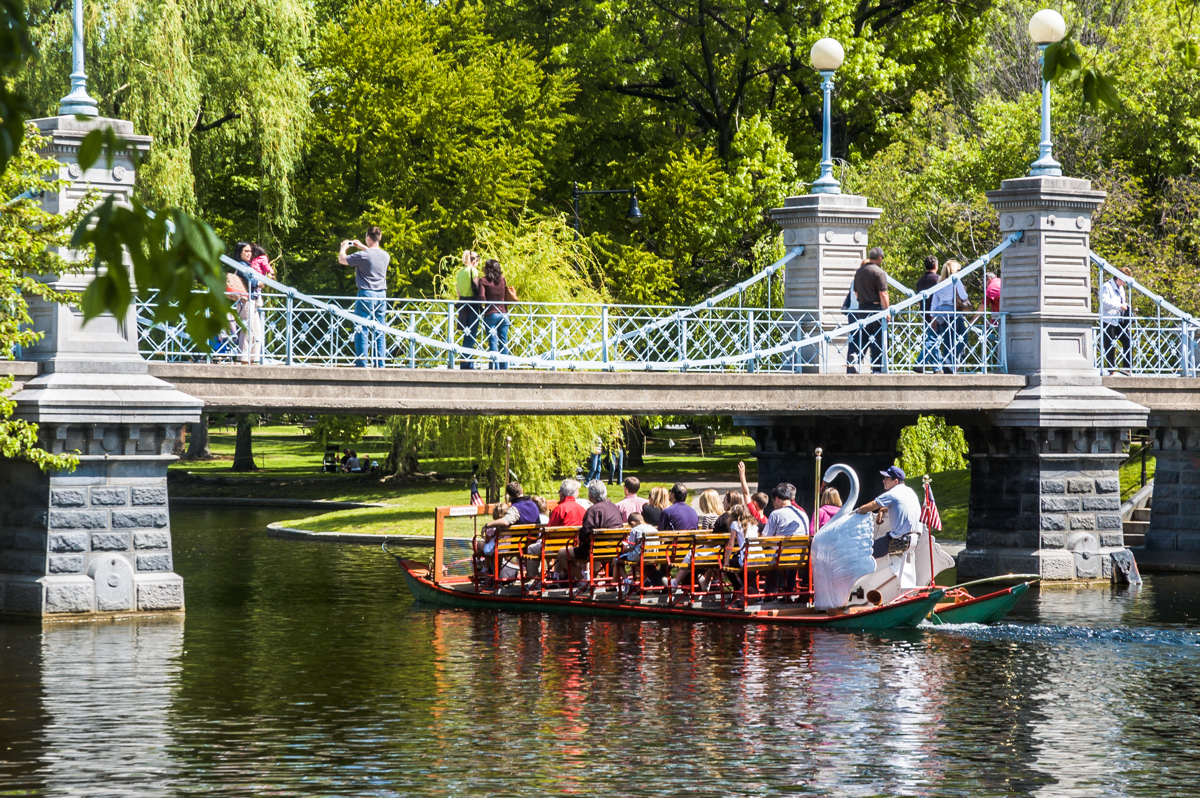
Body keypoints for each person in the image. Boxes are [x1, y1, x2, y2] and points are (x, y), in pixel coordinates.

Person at [339, 226, 390, 368]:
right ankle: (380, 364)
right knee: (380, 329)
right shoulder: (386, 256)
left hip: (366, 294)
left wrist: (344, 247)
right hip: (381, 295)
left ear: (368, 237)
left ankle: (362, 363)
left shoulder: (363, 256)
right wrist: (362, 247)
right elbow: (374, 255)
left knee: (362, 328)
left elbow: (342, 260)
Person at [554, 480, 622, 584]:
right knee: (593, 549)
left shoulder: (593, 510)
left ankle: (582, 581)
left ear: (591, 495)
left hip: (595, 550)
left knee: (562, 553)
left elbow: (584, 535)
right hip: (615, 549)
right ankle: (594, 579)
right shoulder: (614, 508)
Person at [856, 465, 922, 559]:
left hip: (898, 540)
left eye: (887, 478)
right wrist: (882, 510)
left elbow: (866, 508)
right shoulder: (910, 491)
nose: (883, 481)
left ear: (895, 481)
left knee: (864, 552)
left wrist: (856, 512)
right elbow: (900, 505)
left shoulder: (892, 494)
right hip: (915, 539)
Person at [847, 247, 890, 374]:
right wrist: (886, 311)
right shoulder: (879, 272)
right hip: (875, 309)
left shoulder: (859, 272)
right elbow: (883, 294)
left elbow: (855, 293)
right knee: (877, 338)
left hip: (862, 308)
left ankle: (855, 357)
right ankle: (877, 368)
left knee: (863, 336)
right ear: (880, 257)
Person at [930, 260, 972, 374]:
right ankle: (952, 360)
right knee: (964, 337)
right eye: (958, 270)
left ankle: (947, 365)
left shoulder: (939, 284)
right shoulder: (956, 281)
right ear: (954, 271)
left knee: (947, 340)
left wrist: (933, 318)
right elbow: (964, 297)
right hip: (953, 313)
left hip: (940, 314)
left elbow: (934, 302)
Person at [476, 259, 512, 370]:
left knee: (493, 341)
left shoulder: (483, 281)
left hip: (491, 314)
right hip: (504, 314)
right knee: (503, 342)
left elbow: (481, 297)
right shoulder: (502, 279)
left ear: (487, 269)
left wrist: (481, 306)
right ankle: (504, 368)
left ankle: (494, 369)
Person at [1101, 267, 1133, 374]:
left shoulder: (1121, 288)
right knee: (1109, 345)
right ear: (1119, 277)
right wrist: (1120, 306)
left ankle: (1126, 368)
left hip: (1119, 320)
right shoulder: (1106, 286)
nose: (1125, 283)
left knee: (1127, 340)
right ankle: (1111, 370)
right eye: (1125, 280)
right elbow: (1104, 302)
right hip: (1108, 320)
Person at [456, 250, 481, 369]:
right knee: (471, 335)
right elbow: (478, 287)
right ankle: (466, 364)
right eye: (478, 261)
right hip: (472, 304)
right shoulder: (473, 270)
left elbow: (458, 292)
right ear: (474, 260)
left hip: (462, 304)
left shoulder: (460, 273)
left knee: (466, 333)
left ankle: (466, 362)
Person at [615, 511, 655, 586]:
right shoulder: (653, 528)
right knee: (644, 564)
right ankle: (645, 580)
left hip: (639, 555)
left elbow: (631, 548)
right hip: (654, 555)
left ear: (633, 523)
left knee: (616, 560)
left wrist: (625, 548)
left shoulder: (635, 529)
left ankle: (627, 581)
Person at [915, 255, 940, 373]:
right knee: (933, 339)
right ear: (936, 266)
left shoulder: (920, 281)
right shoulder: (939, 280)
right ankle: (920, 363)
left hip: (925, 314)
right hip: (937, 314)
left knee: (932, 339)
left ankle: (936, 367)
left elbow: (919, 301)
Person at [736, 461, 770, 527]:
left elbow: (746, 493)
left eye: (751, 501)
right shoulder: (766, 520)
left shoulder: (755, 514)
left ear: (755, 503)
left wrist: (742, 474)